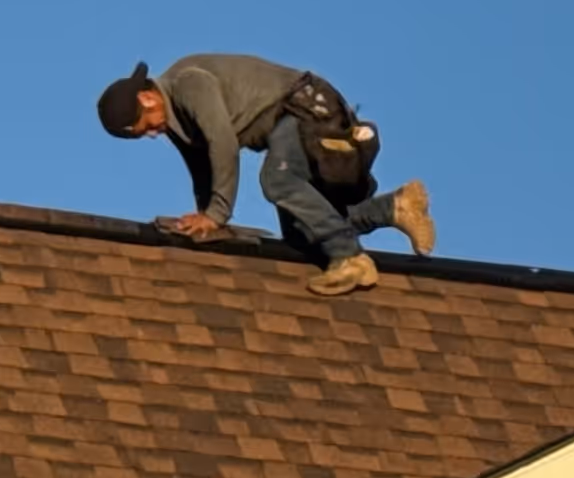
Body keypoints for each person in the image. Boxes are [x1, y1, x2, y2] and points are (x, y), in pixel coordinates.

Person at [97, 54, 435, 297]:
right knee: (301, 234)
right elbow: (203, 163)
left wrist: (217, 214)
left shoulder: (188, 84)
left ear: (147, 98)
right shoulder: (173, 118)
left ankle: (349, 259)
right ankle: (394, 208)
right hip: (287, 122)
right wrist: (205, 218)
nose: (153, 134)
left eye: (146, 127)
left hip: (301, 107)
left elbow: (223, 143)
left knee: (277, 180)